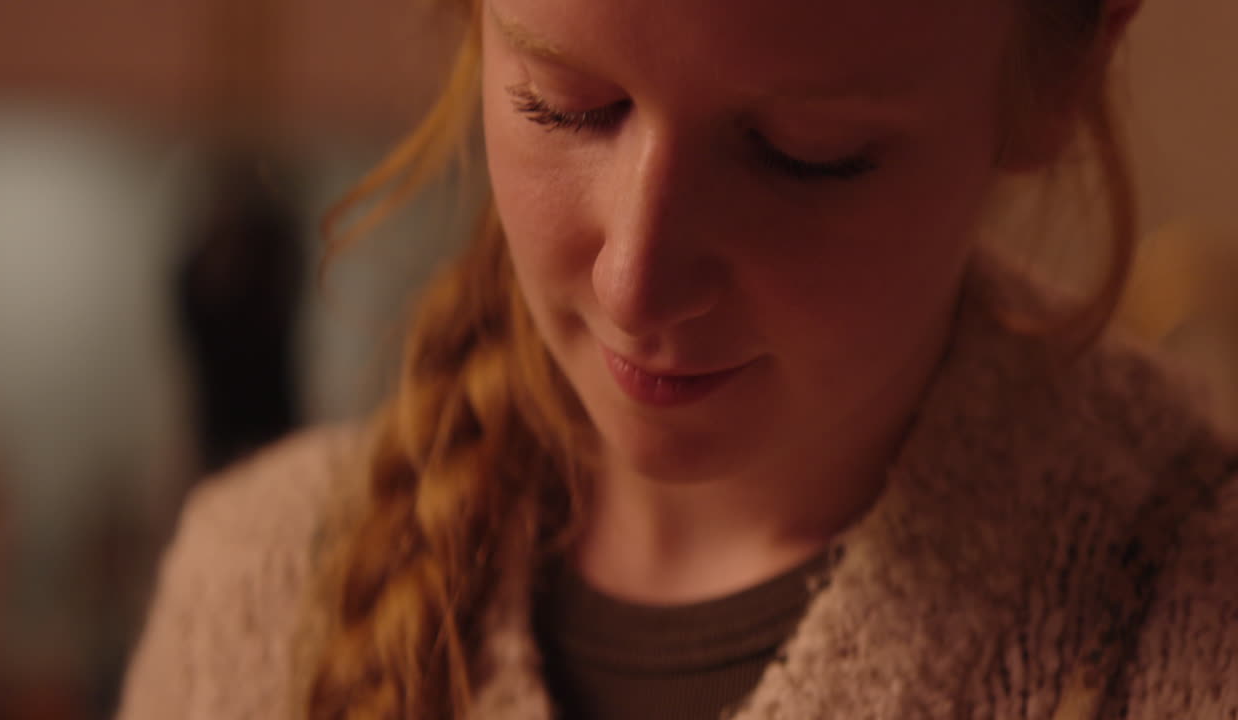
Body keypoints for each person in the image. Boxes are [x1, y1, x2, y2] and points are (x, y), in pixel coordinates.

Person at [117, 0, 1238, 718]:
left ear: (1066, 66)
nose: (635, 285)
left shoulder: (1190, 636)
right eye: (565, 107)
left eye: (806, 155)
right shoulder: (256, 596)